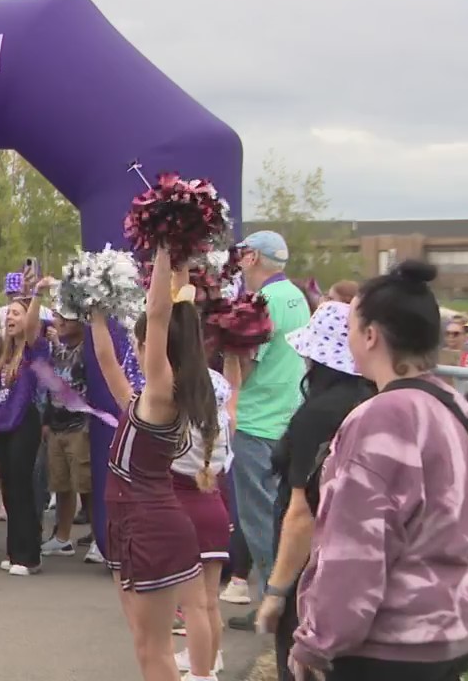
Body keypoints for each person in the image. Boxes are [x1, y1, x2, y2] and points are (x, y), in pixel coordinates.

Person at [290, 261, 468, 681]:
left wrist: (316, 642)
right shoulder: (456, 408)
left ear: (370, 336)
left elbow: (355, 548)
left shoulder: (381, 417)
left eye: (351, 326)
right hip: (450, 633)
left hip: (388, 646)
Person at [89, 246, 220, 681]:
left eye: (140, 342)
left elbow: (161, 313)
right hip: (130, 521)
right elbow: (107, 362)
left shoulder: (164, 392)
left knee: (154, 650)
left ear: (156, 348)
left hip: (149, 523)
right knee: (143, 643)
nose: (136, 348)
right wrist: (92, 308)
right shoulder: (142, 401)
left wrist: (164, 247)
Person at [247, 301, 374, 680]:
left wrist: (276, 591)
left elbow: (302, 513)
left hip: (313, 574)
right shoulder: (374, 404)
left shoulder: (318, 415)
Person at [230, 230, 311, 629]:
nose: (238, 260)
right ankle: (286, 595)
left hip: (256, 418)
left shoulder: (263, 301)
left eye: (243, 253)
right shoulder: (296, 295)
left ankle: (273, 601)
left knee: (258, 516)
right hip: (286, 415)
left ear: (254, 259)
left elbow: (246, 363)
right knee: (278, 512)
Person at [0, 274, 49, 577]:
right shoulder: (5, 353)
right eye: (9, 313)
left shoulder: (33, 349)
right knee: (9, 489)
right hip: (3, 426)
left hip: (25, 422)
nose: (10, 317)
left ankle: (29, 555)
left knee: (23, 488)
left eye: (17, 313)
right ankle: (15, 550)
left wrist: (36, 295)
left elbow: (33, 326)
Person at [40, 307, 93, 560]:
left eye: (64, 318)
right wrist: (47, 420)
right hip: (57, 425)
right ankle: (62, 538)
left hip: (80, 425)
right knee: (61, 484)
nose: (58, 322)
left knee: (86, 484)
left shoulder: (88, 351)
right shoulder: (56, 350)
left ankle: (98, 537)